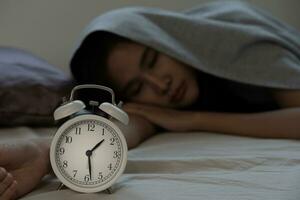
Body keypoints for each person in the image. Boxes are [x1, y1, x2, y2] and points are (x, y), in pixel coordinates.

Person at [1, 1, 300, 199]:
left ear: (163, 38)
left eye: (153, 60)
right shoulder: (158, 103)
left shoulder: (238, 37)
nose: (160, 85)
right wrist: (44, 153)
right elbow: (125, 126)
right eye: (137, 86)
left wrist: (195, 120)